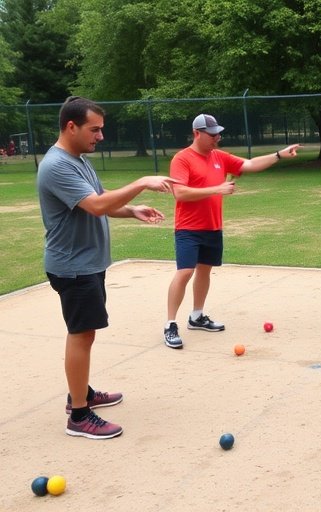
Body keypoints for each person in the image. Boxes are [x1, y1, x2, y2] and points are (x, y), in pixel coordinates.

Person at [37, 96, 175, 439]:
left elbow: (100, 198)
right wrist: (143, 181)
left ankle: (80, 392)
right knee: (81, 334)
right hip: (72, 266)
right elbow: (97, 206)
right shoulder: (57, 165)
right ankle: (79, 415)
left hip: (86, 263)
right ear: (71, 126)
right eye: (94, 129)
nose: (100, 136)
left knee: (87, 332)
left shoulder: (78, 160)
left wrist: (132, 210)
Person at [164, 114, 301, 349]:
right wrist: (216, 188)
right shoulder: (182, 158)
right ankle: (170, 325)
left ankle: (197, 317)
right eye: (212, 134)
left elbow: (248, 164)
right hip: (188, 227)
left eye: (218, 133)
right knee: (185, 272)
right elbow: (180, 193)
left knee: (205, 271)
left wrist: (279, 155)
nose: (217, 137)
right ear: (197, 133)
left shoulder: (219, 157)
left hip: (213, 226)